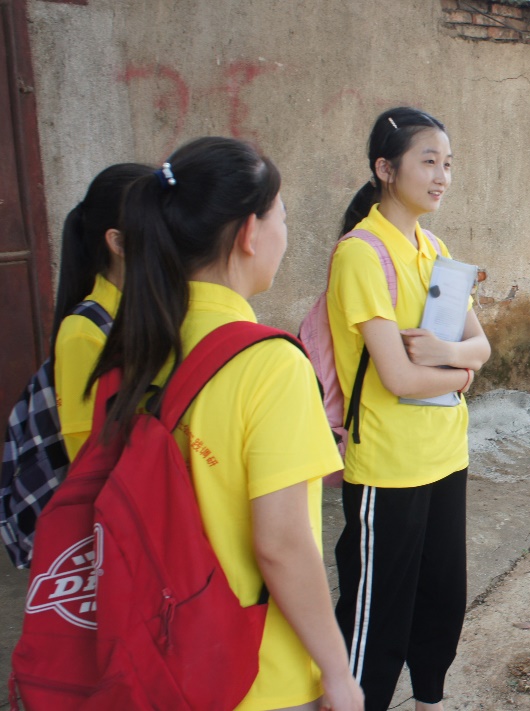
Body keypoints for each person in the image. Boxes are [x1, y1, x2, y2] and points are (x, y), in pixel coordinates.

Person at [91, 137, 363, 711]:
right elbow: (282, 545)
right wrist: (338, 672)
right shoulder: (269, 362)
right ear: (248, 233)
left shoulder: (135, 342)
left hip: (155, 652)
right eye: (282, 217)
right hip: (252, 671)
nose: (285, 235)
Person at [328, 107, 490, 711]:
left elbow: (481, 345)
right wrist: (460, 373)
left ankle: (429, 700)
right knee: (377, 616)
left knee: (441, 599)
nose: (441, 175)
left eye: (447, 164)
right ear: (384, 169)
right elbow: (396, 377)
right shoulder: (361, 255)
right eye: (428, 161)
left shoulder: (434, 248)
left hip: (445, 454)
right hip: (389, 465)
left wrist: (454, 359)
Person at [52, 162, 152, 461]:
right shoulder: (82, 333)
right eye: (159, 229)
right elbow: (89, 461)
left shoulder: (149, 310)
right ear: (118, 242)